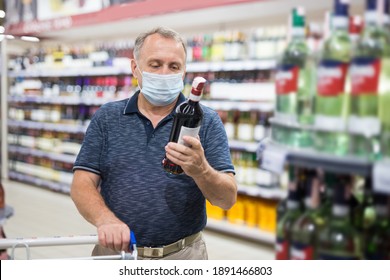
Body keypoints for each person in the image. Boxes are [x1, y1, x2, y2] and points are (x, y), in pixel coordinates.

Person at [70, 26, 237, 260]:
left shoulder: (206, 121)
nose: (164, 73)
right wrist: (105, 219)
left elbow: (226, 199)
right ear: (135, 68)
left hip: (183, 255)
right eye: (155, 65)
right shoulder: (107, 117)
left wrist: (202, 171)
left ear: (184, 71)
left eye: (174, 66)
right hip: (115, 255)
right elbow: (82, 182)